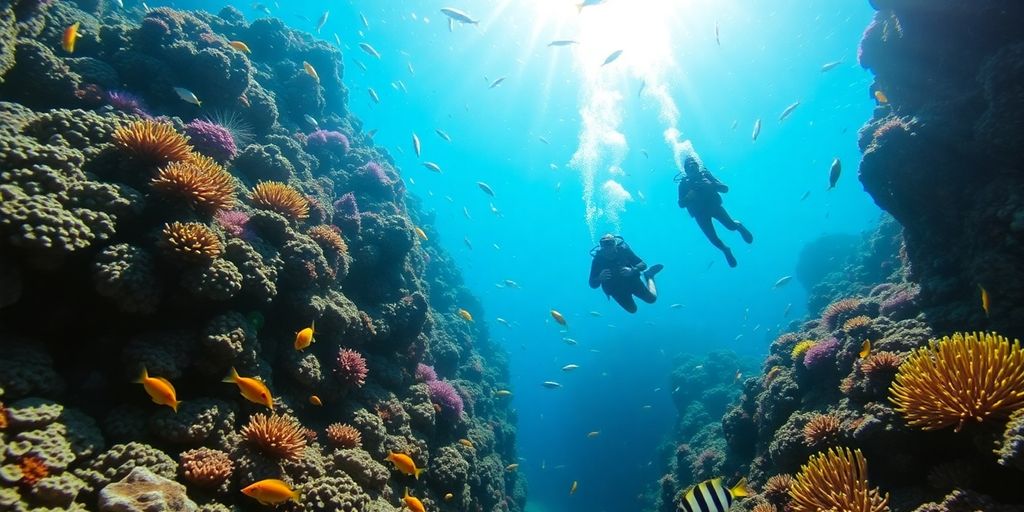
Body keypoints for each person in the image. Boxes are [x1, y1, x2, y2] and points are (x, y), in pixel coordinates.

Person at [677, 156, 753, 267]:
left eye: (693, 166)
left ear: (698, 166)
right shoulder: (683, 184)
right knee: (713, 238)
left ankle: (739, 226)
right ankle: (725, 250)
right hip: (700, 214)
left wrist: (711, 185)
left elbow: (725, 188)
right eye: (688, 168)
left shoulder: (706, 175)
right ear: (685, 171)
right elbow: (681, 204)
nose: (692, 169)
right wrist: (688, 197)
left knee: (731, 226)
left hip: (714, 207)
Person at [588, 234, 664, 313]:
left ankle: (649, 276)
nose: (608, 247)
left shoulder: (623, 251)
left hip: (632, 282)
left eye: (610, 243)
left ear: (615, 243)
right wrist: (599, 278)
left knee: (652, 299)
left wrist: (632, 270)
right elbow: (592, 284)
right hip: (616, 290)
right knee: (632, 310)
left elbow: (643, 265)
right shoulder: (597, 260)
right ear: (600, 245)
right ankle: (647, 277)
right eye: (604, 244)